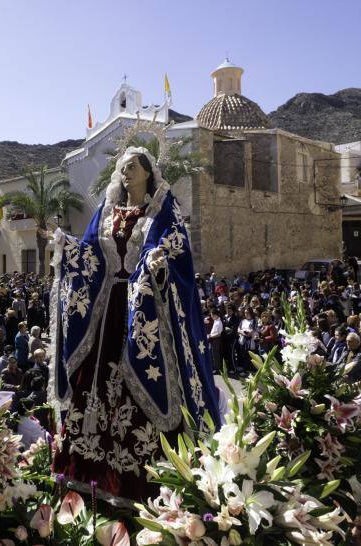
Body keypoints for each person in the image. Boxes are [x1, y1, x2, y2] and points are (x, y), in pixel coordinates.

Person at [49, 147, 221, 502]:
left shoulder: (162, 211)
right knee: (92, 387)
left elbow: (177, 252)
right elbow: (91, 254)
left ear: (147, 172)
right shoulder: (106, 211)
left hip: (143, 309)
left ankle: (145, 485)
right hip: (105, 313)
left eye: (132, 167)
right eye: (122, 168)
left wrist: (158, 264)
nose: (125, 173)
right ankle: (84, 472)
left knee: (142, 382)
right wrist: (67, 246)